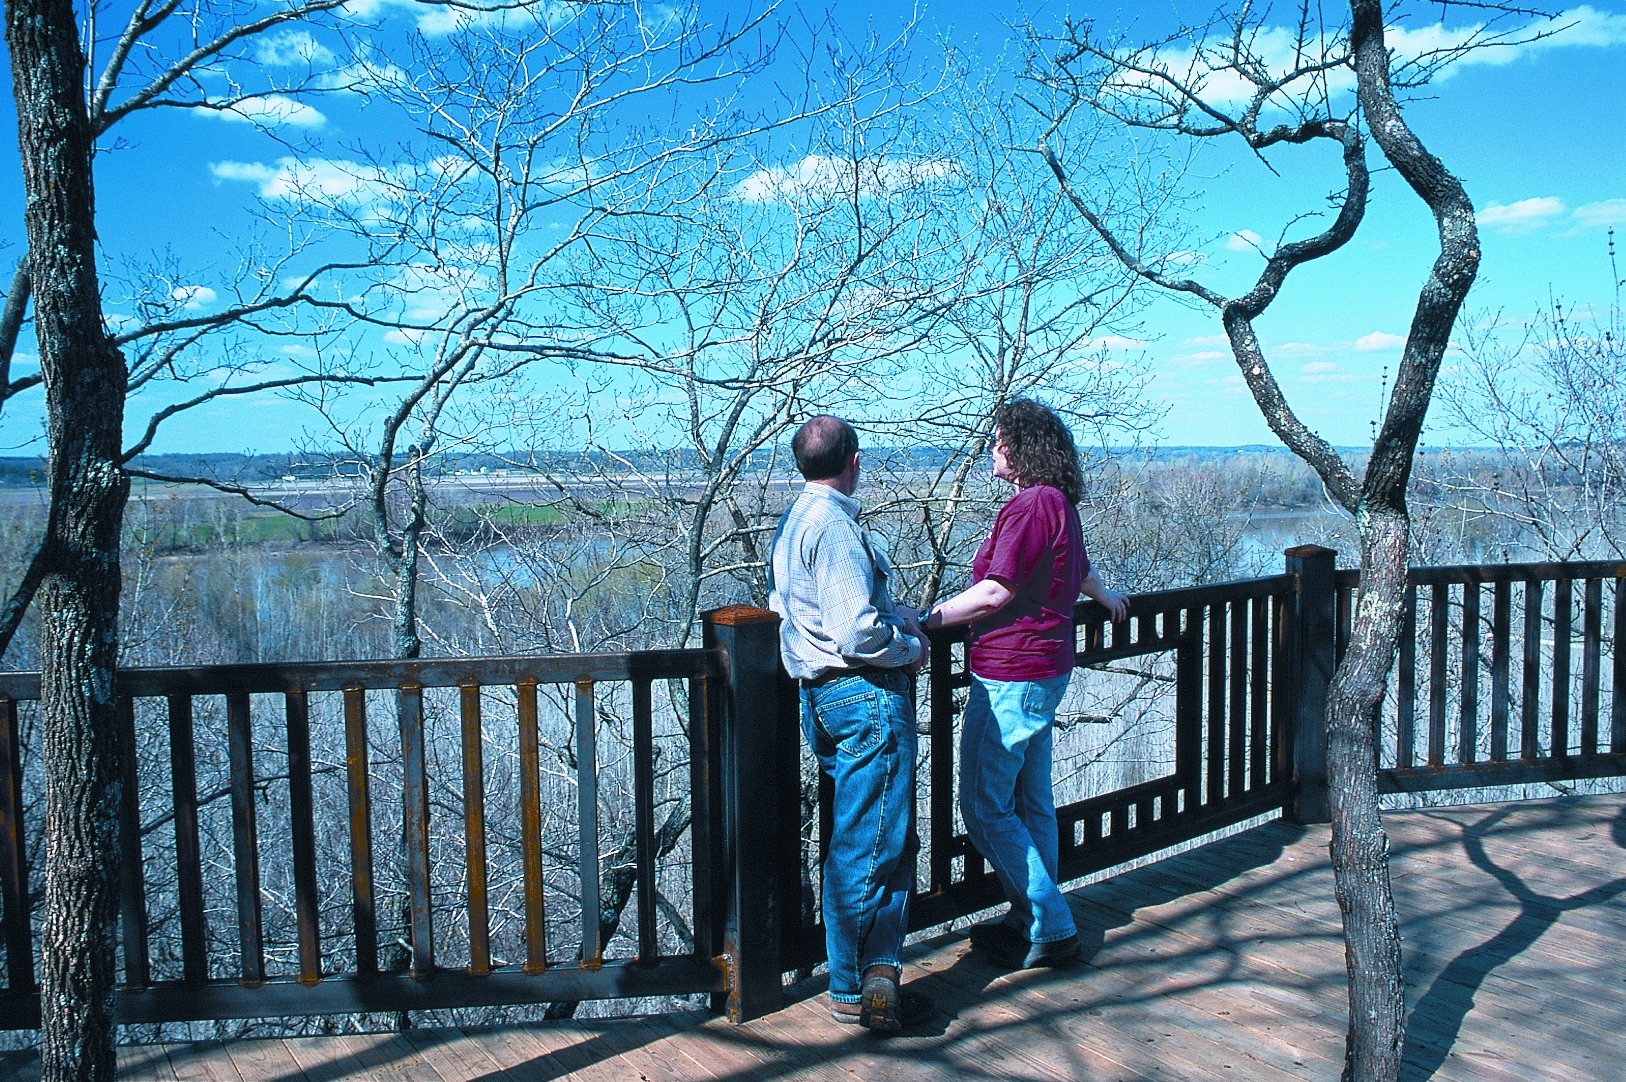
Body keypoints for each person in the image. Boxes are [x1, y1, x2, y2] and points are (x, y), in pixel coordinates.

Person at [922, 399, 1128, 969]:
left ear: (1020, 448)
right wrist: (1106, 596)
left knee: (985, 806)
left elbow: (996, 591)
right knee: (1032, 803)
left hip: (1011, 673)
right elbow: (1075, 569)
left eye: (997, 442)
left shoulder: (1031, 505)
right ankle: (1029, 918)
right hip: (1046, 669)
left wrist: (925, 621)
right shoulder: (1056, 502)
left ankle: (1052, 925)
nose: (992, 450)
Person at [768, 415, 934, 1033]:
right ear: (853, 461)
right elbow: (855, 631)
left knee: (879, 838)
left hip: (823, 698)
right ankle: (850, 985)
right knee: (870, 844)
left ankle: (879, 977)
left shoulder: (792, 524)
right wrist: (909, 648)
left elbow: (791, 611)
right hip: (862, 696)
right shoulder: (833, 525)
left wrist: (901, 613)